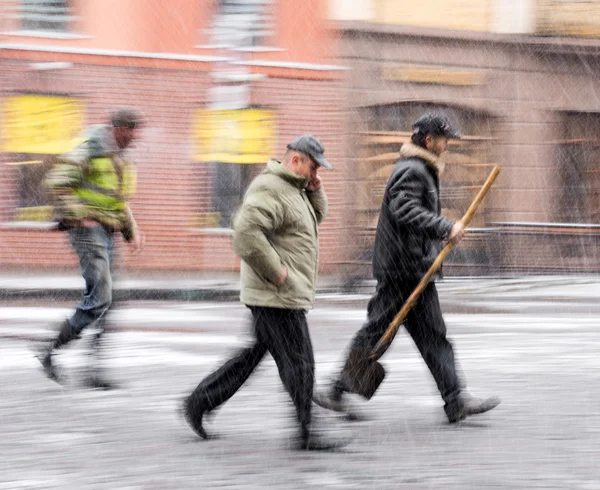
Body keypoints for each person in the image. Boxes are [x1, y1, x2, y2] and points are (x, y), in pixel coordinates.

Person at [315, 114, 500, 423]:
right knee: (379, 333)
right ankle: (336, 390)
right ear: (429, 140)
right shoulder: (413, 170)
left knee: (432, 336)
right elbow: (405, 210)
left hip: (414, 269)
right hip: (401, 270)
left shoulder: (422, 169)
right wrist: (445, 227)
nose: (447, 146)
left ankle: (455, 400)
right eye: (445, 140)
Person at [182, 135, 348, 450]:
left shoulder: (294, 189)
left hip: (278, 293)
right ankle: (308, 430)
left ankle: (198, 403)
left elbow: (312, 222)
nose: (315, 174)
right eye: (312, 168)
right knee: (300, 362)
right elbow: (245, 233)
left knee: (251, 357)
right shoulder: (270, 187)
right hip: (275, 293)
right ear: (296, 160)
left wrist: (316, 191)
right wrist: (276, 270)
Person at [36, 107, 144, 389]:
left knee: (112, 300)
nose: (134, 137)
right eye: (130, 130)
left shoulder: (119, 159)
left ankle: (92, 370)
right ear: (116, 129)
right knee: (100, 299)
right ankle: (49, 351)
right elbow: (56, 181)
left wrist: (132, 231)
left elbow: (118, 201)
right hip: (89, 231)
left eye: (136, 131)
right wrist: (79, 216)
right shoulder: (90, 149)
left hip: (108, 232)